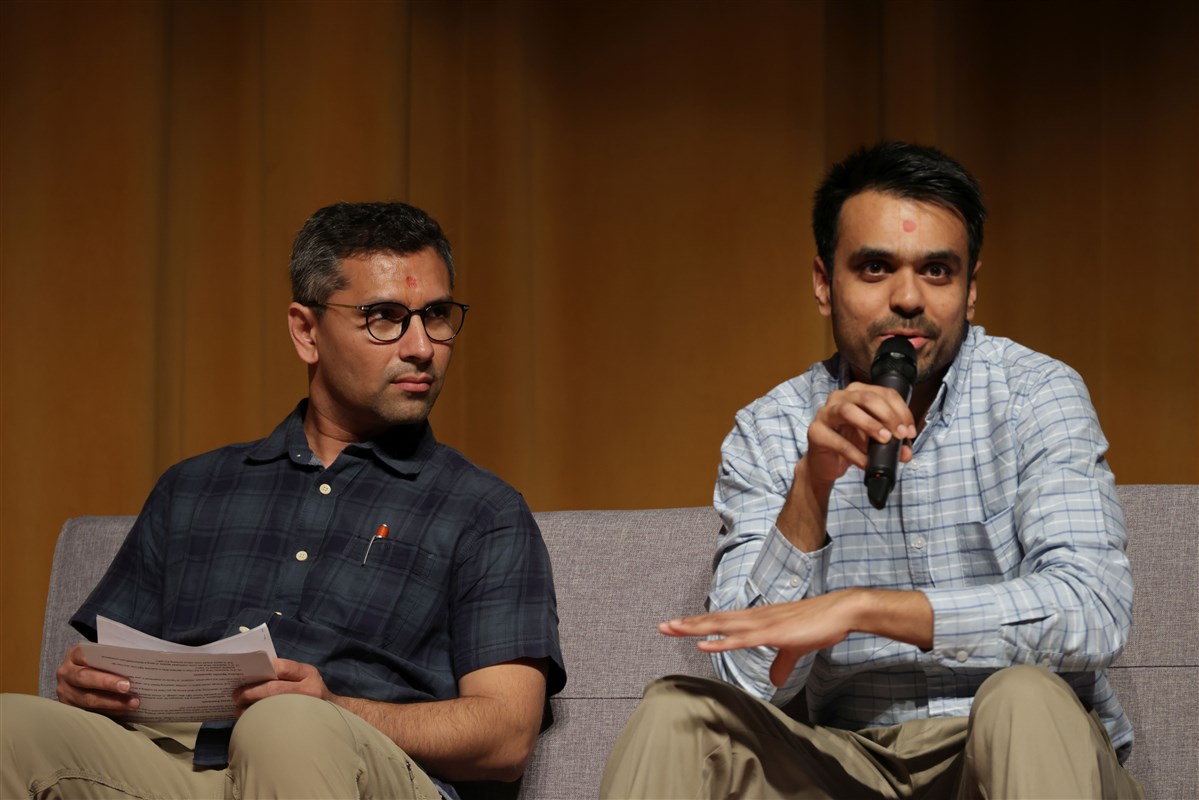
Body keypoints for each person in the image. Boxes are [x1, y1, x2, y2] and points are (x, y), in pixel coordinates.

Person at [599, 142, 1142, 798]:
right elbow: (747, 678)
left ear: (970, 291)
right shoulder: (771, 427)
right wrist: (811, 488)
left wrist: (864, 608)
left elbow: (1093, 611)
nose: (907, 298)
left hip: (1026, 751)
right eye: (875, 268)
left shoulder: (1035, 394)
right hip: (854, 762)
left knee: (1021, 697)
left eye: (936, 271)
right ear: (823, 283)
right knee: (677, 715)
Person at [2, 202, 566, 800]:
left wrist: (334, 708)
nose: (422, 347)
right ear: (306, 331)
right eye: (385, 317)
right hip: (182, 765)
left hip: (361, 765)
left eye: (436, 316)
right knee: (11, 726)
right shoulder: (192, 488)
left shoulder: (482, 510)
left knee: (286, 726)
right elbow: (113, 667)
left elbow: (506, 737)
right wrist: (88, 683)